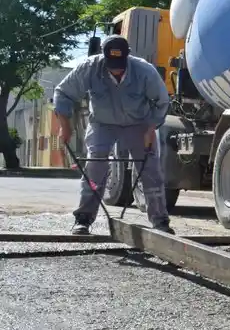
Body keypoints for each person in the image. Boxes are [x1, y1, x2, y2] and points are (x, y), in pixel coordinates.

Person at [53, 35, 174, 235]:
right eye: (111, 64)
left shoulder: (144, 71)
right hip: (102, 124)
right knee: (95, 166)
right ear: (103, 56)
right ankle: (83, 219)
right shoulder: (89, 67)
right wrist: (65, 126)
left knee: (151, 170)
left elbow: (161, 102)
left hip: (139, 124)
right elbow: (63, 92)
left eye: (120, 64)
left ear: (128, 56)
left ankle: (160, 222)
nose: (116, 69)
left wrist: (151, 128)